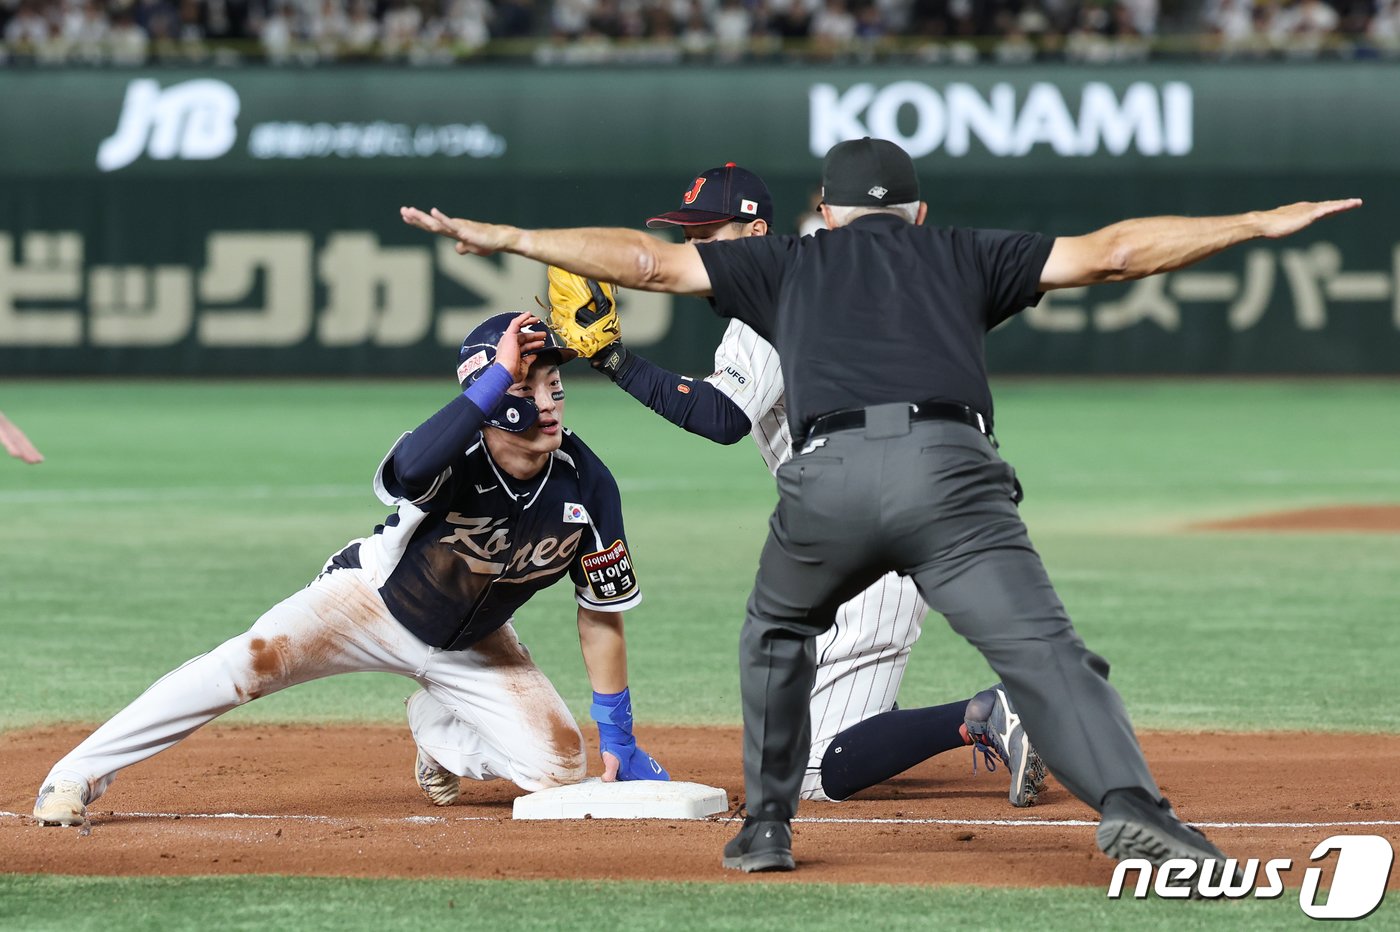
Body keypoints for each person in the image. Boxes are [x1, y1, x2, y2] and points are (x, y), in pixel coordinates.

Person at [399, 146, 1360, 876]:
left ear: (824, 213)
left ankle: (768, 826)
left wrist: (509, 238)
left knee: (776, 631)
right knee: (1046, 650)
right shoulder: (964, 253)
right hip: (956, 478)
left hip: (832, 486)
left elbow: (646, 266)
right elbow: (1115, 254)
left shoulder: (784, 268)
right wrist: (1255, 222)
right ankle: (1136, 813)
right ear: (917, 212)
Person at [32, 312, 668, 828]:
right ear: (494, 395)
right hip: (368, 603)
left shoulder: (587, 481)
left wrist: (619, 737)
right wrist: (497, 376)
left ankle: (437, 732)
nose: (551, 399)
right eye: (530, 386)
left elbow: (600, 613)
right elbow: (412, 470)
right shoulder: (456, 449)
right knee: (246, 663)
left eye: (554, 384)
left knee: (560, 770)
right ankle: (76, 773)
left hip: (475, 642)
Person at [577, 162, 1044, 807]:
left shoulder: (780, 301)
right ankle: (877, 710)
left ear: (757, 231)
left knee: (814, 774)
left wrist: (613, 360)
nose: (694, 251)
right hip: (881, 526)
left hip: (869, 543)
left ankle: (990, 710)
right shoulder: (817, 285)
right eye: (688, 236)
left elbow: (720, 418)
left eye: (708, 235)